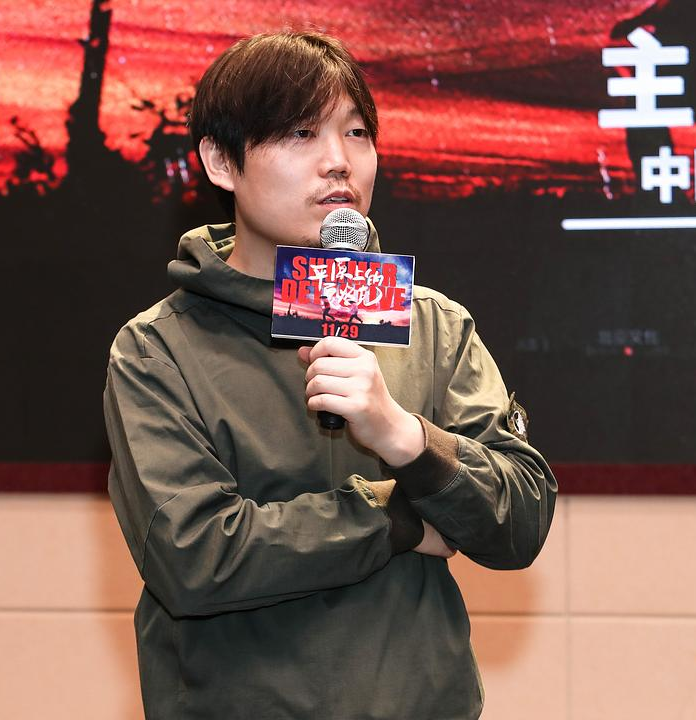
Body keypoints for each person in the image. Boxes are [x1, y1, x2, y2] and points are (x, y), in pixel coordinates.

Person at [103, 31, 557, 720]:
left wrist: (406, 437)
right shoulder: (157, 349)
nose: (338, 161)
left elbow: (520, 520)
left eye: (357, 133)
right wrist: (395, 519)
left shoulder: (432, 325)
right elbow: (194, 555)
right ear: (222, 161)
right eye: (300, 133)